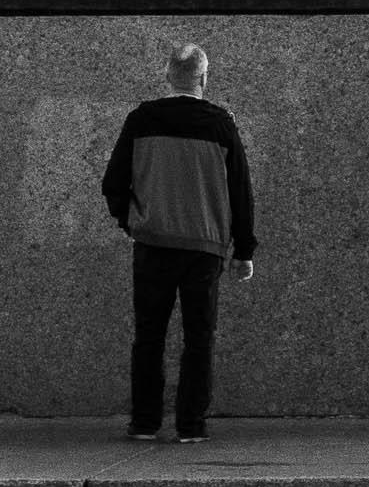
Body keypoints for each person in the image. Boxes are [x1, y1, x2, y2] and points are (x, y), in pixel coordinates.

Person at [101, 42, 257, 442]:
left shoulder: (142, 119)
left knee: (149, 336)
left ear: (168, 75)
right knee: (199, 338)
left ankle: (145, 422)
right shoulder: (221, 124)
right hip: (204, 247)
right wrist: (243, 250)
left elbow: (113, 182)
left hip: (153, 243)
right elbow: (241, 190)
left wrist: (132, 222)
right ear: (203, 78)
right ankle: (191, 425)